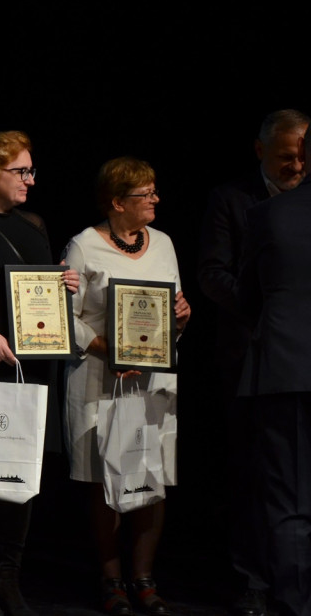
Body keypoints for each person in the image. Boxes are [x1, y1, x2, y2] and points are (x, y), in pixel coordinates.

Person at [63, 157, 191, 616]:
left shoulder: (164, 243)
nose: (155, 199)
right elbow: (66, 318)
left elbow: (171, 307)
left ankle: (144, 579)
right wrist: (105, 349)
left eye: (155, 191)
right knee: (106, 480)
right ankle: (111, 580)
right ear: (117, 202)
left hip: (153, 379)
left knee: (150, 472)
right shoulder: (82, 246)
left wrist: (181, 318)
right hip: (99, 378)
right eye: (145, 194)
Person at [0, 131, 78, 616]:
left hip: (33, 364)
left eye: (31, 171)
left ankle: (9, 575)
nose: (30, 180)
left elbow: (39, 292)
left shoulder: (34, 222)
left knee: (25, 470)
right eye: (21, 171)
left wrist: (62, 282)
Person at [197, 109, 308, 616]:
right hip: (251, 357)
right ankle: (254, 581)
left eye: (303, 156)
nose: (296, 165)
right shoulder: (234, 200)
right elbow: (215, 275)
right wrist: (262, 309)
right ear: (260, 150)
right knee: (250, 474)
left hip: (291, 355)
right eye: (286, 156)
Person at [237, 139, 311, 616]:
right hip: (287, 368)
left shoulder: (271, 213)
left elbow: (248, 296)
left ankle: (295, 605)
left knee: (290, 498)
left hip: (287, 367)